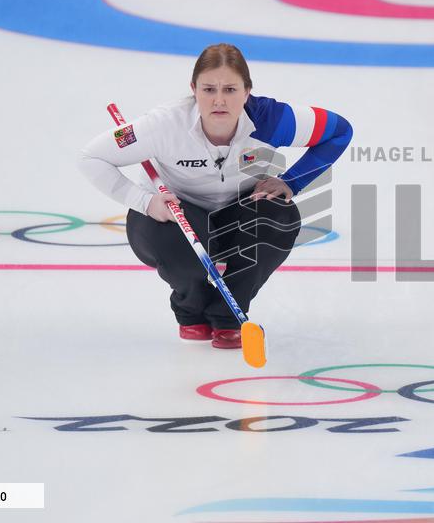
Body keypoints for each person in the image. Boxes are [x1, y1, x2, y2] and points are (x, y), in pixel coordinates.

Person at [78, 43, 353, 349]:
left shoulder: (273, 120)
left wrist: (292, 182)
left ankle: (228, 315)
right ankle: (190, 307)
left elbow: (339, 132)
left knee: (281, 216)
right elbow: (92, 157)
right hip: (174, 217)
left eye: (230, 89)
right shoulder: (162, 125)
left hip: (240, 217)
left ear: (247, 91)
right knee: (172, 239)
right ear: (194, 89)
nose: (219, 100)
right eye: (209, 89)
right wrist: (145, 202)